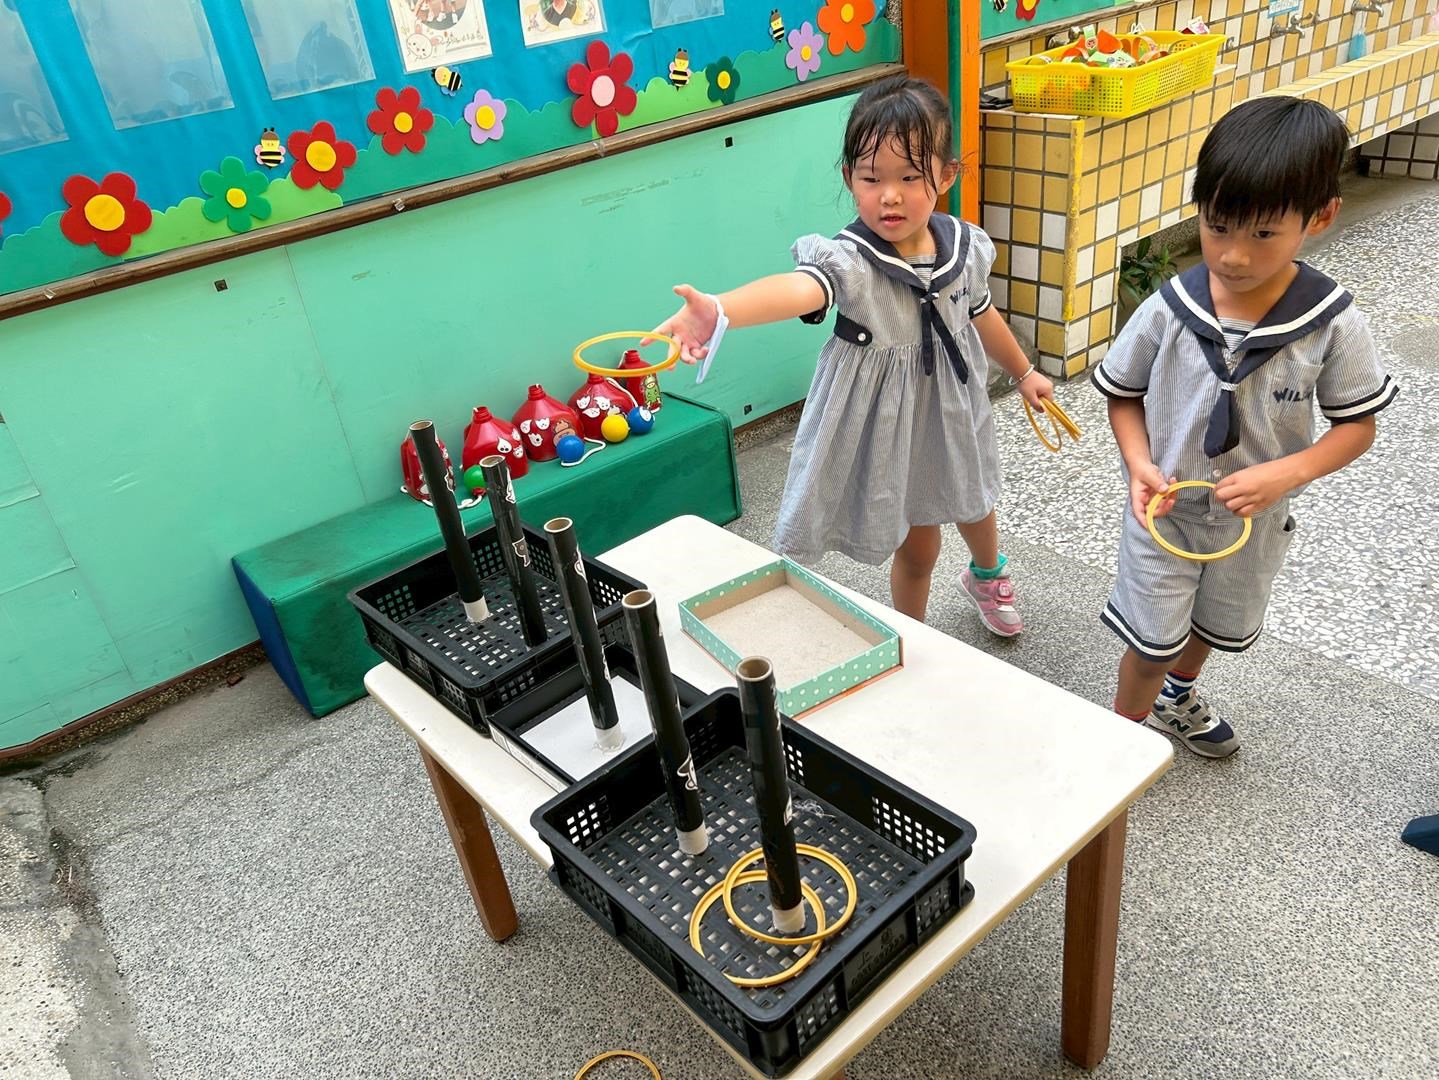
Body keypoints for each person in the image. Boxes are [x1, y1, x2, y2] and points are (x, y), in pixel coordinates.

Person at [649, 75, 1053, 633]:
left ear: (946, 175)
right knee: (920, 541)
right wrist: (721, 310)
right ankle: (911, 633)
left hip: (954, 410)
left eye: (910, 177)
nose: (890, 195)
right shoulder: (852, 262)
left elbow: (980, 314)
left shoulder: (965, 248)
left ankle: (986, 573)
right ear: (849, 178)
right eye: (872, 177)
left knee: (975, 495)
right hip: (895, 425)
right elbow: (801, 288)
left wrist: (1025, 372)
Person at [1091, 96, 1398, 757]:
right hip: (1164, 513)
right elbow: (1123, 395)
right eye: (1217, 226)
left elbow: (1356, 427)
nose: (1232, 255)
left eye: (1262, 234)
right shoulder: (1170, 307)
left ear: (1320, 217)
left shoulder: (1331, 322)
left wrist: (1286, 473)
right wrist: (1138, 464)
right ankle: (1119, 742)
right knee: (1151, 643)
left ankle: (1176, 695)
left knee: (1212, 626)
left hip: (1252, 523)